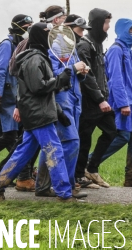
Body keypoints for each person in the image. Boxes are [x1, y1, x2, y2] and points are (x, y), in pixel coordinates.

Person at [0, 23, 78, 202]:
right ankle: (64, 194)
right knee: (54, 151)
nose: (51, 37)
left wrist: (59, 110)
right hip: (39, 115)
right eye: (48, 33)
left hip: (35, 114)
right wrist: (61, 79)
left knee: (23, 153)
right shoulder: (35, 59)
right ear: (39, 37)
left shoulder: (37, 57)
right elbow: (38, 87)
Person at [35, 14, 89, 197]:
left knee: (53, 143)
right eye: (79, 30)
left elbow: (73, 72)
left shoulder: (71, 47)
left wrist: (82, 72)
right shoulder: (55, 47)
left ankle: (42, 186)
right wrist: (73, 69)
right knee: (72, 142)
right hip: (61, 99)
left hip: (74, 99)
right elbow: (55, 75)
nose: (81, 34)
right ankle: (69, 186)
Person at [0, 14, 33, 187]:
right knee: (11, 137)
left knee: (11, 137)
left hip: (15, 98)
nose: (29, 29)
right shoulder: (7, 45)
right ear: (18, 27)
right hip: (6, 99)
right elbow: (1, 72)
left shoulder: (20, 45)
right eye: (27, 26)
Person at [98, 19, 132, 187]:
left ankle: (131, 176)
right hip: (123, 104)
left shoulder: (128, 51)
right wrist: (122, 103)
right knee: (121, 137)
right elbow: (115, 79)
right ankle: (88, 165)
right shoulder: (116, 50)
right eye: (131, 30)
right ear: (122, 31)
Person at [75, 8, 116, 189]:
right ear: (99, 23)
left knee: (112, 132)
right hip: (90, 101)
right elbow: (87, 76)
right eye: (106, 23)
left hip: (101, 98)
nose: (108, 27)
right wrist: (100, 99)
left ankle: (91, 169)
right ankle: (78, 176)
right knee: (84, 138)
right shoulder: (85, 45)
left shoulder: (98, 44)